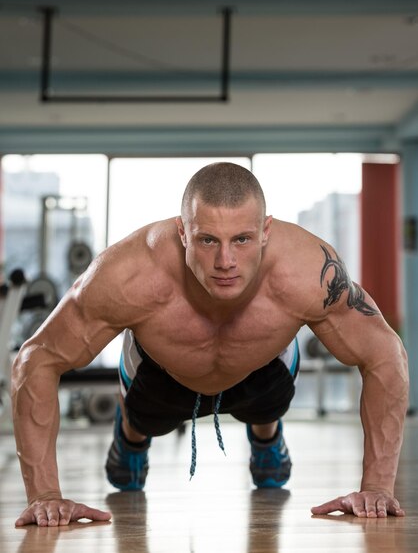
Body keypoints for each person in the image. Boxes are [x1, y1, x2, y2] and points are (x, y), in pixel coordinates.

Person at [12, 162, 409, 527]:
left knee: (267, 402)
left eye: (242, 239)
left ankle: (266, 436)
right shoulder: (128, 275)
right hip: (162, 373)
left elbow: (385, 353)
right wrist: (45, 495)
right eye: (207, 240)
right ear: (182, 232)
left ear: (265, 230)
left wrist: (377, 486)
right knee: (135, 444)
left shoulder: (307, 271)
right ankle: (132, 437)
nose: (225, 260)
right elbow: (36, 359)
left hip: (262, 368)